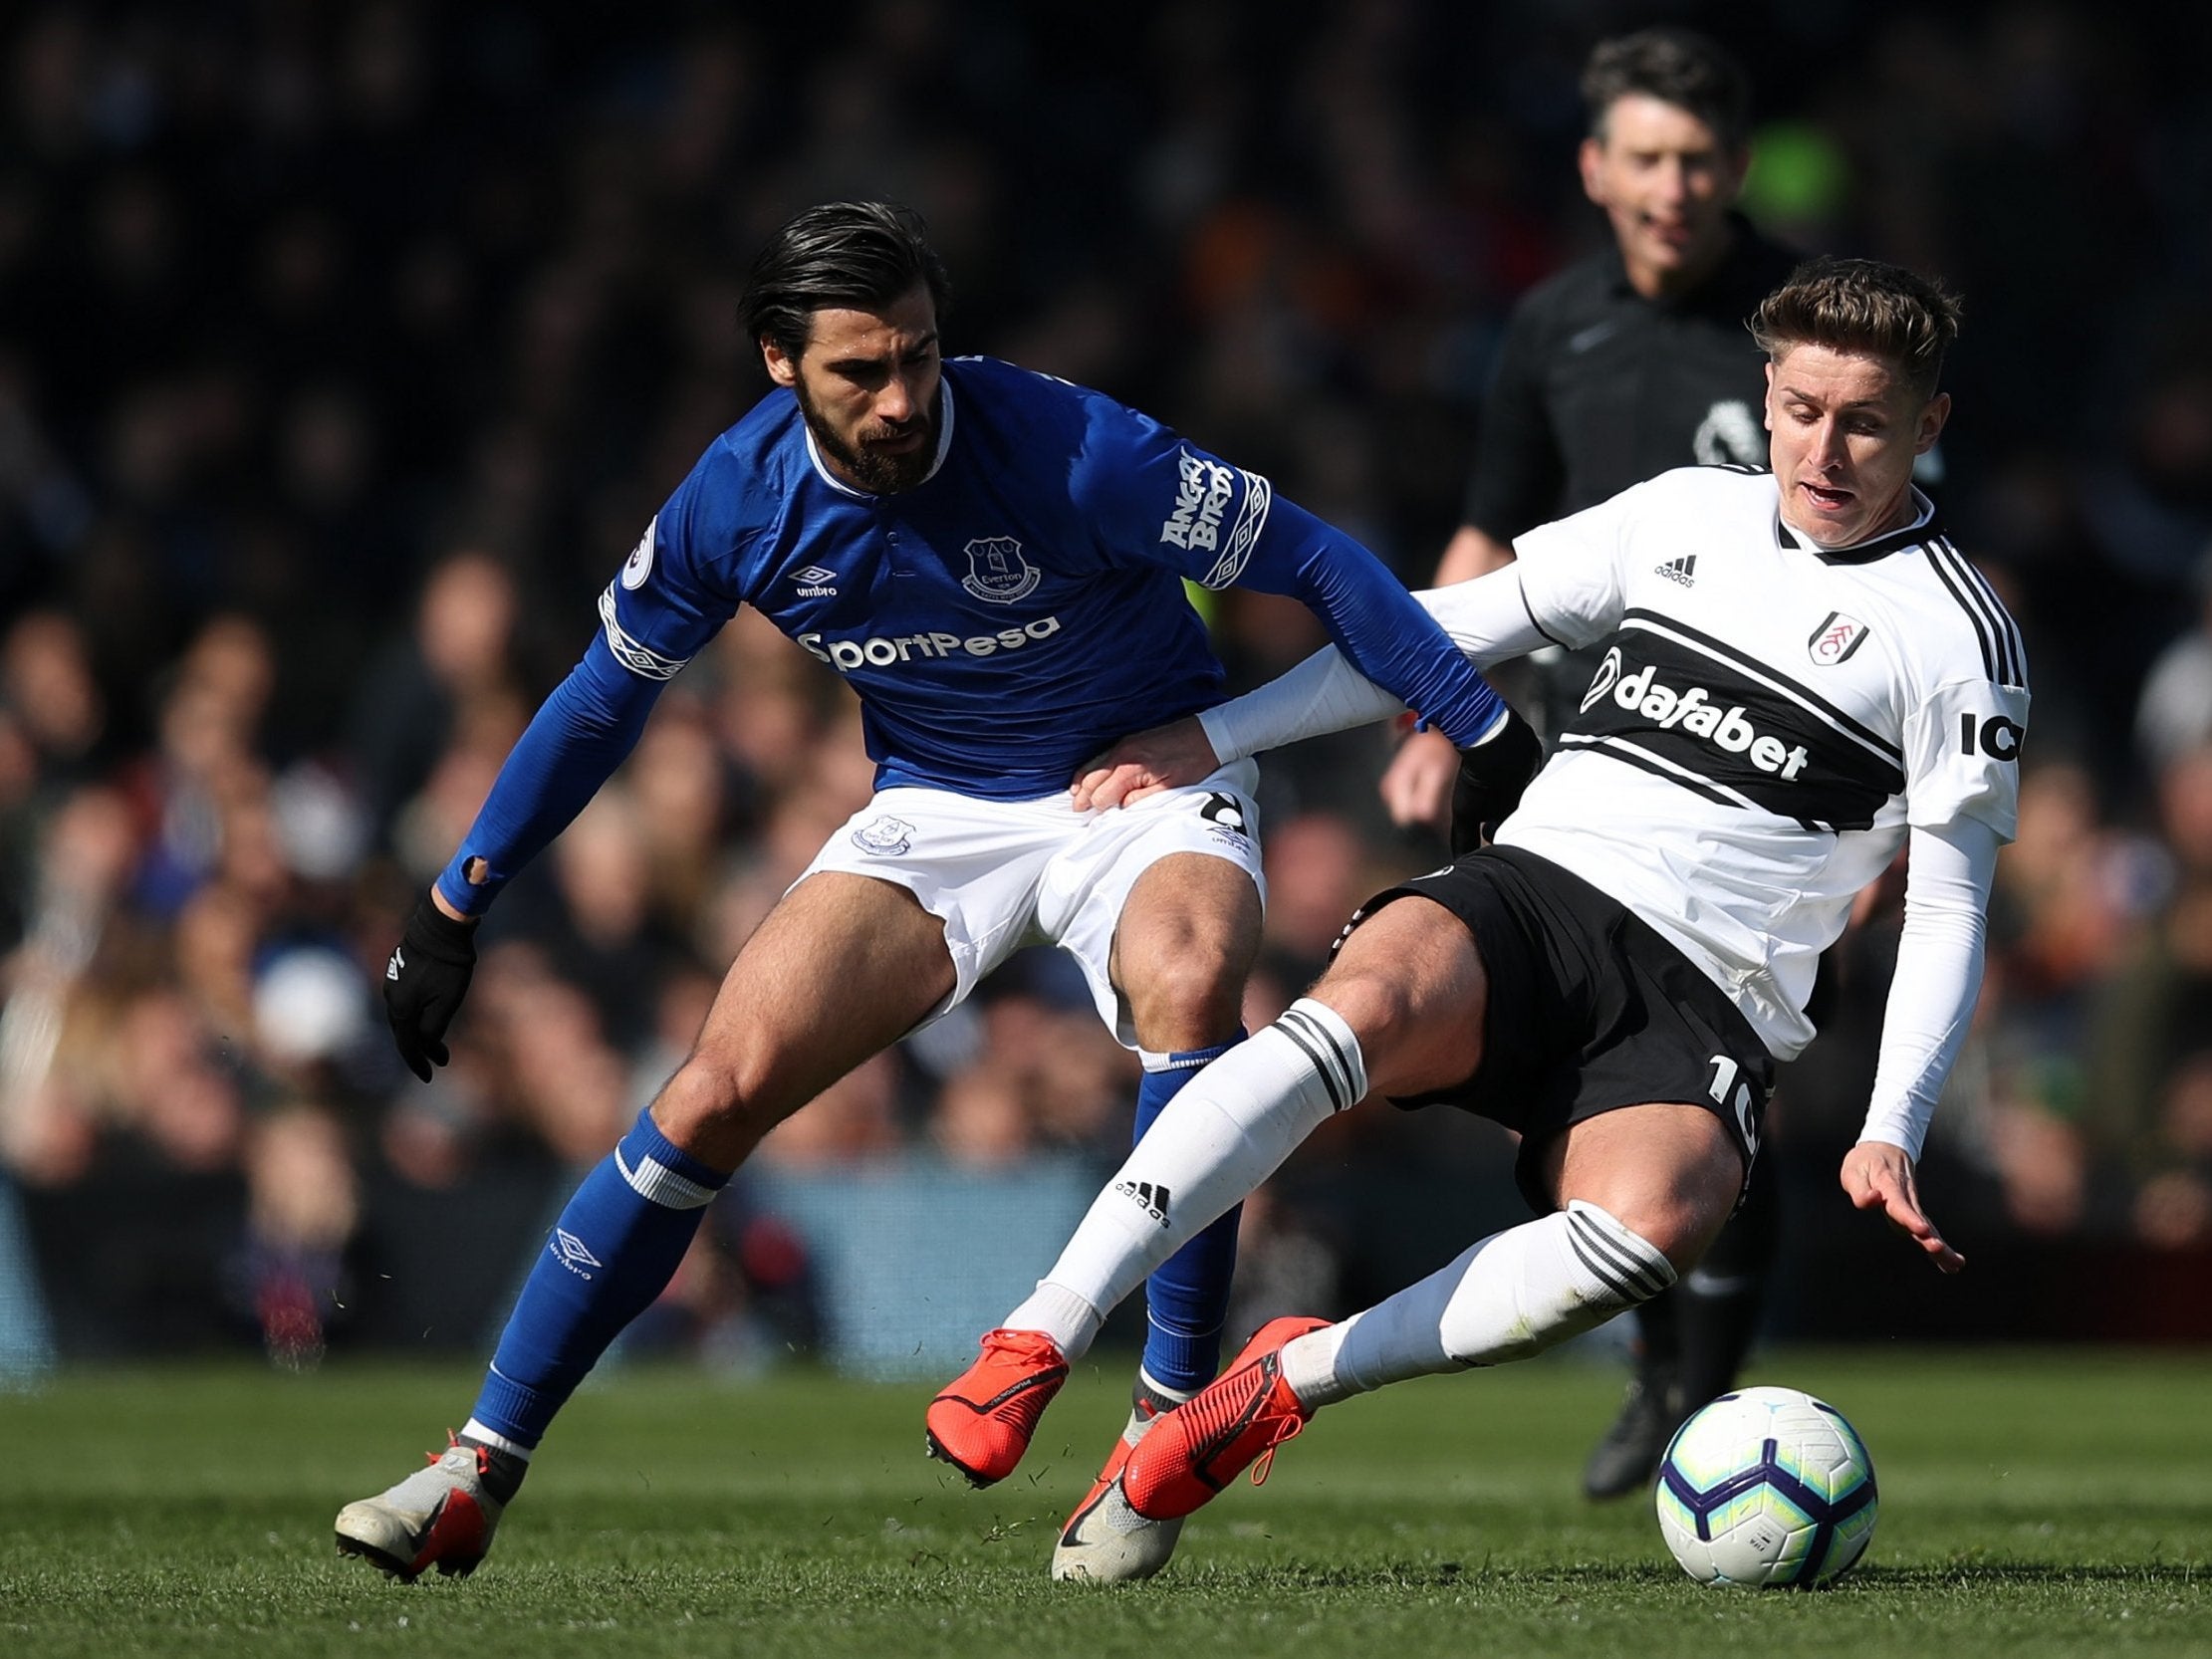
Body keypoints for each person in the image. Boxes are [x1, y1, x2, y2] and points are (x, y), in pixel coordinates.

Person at [333, 201, 1511, 1583]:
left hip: (1134, 778)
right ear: (779, 362)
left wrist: (1477, 731)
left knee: (1190, 985)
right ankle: (476, 1463)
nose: (901, 398)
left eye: (919, 358)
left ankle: (1158, 1442)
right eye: (860, 372)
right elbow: (600, 704)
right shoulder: (735, 498)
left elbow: (1311, 555)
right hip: (936, 809)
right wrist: (454, 900)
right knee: (713, 1086)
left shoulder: (1071, 448)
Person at [930, 257, 2028, 1571]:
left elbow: (1953, 900)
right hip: (1543, 888)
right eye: (1800, 408)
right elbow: (1429, 632)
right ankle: (1041, 1331)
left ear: (1927, 425)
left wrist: (1889, 1125)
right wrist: (1208, 736)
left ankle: (1282, 1381)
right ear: (1766, 393)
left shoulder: (1957, 636)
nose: (1824, 447)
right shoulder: (1682, 512)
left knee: (1654, 1223)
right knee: (1361, 1001)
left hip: (1711, 995)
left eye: (1862, 420)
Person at [1379, 28, 1804, 1498]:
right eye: (1644, 159)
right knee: (1568, 1050)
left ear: (1734, 169)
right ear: (1594, 169)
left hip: (1754, 763)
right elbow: (1486, 529)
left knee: (1728, 1064)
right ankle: (1653, 1351)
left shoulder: (1801, 327)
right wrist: (1440, 704)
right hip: (1570, 751)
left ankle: (1695, 1370)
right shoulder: (1550, 327)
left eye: (1696, 161)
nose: (1671, 187)